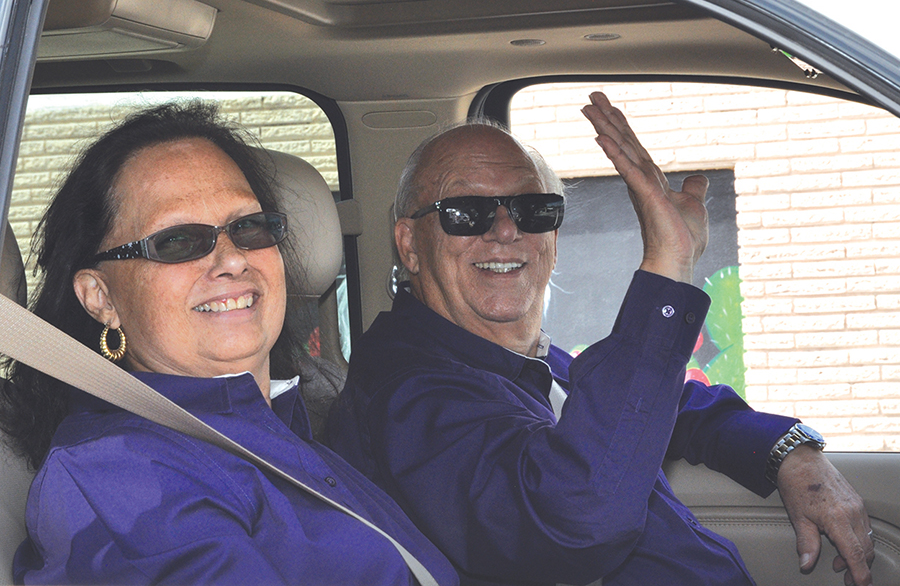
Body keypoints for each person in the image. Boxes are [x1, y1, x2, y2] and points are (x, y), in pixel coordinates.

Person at [326, 91, 875, 586]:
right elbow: (572, 519)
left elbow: (650, 406)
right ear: (409, 244)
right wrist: (667, 267)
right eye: (466, 212)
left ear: (554, 239)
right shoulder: (407, 391)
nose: (506, 231)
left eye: (533, 210)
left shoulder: (504, 359)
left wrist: (784, 450)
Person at [0, 102, 458, 586]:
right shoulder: (116, 474)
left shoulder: (289, 421)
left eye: (249, 227)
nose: (233, 259)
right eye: (176, 240)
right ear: (101, 297)